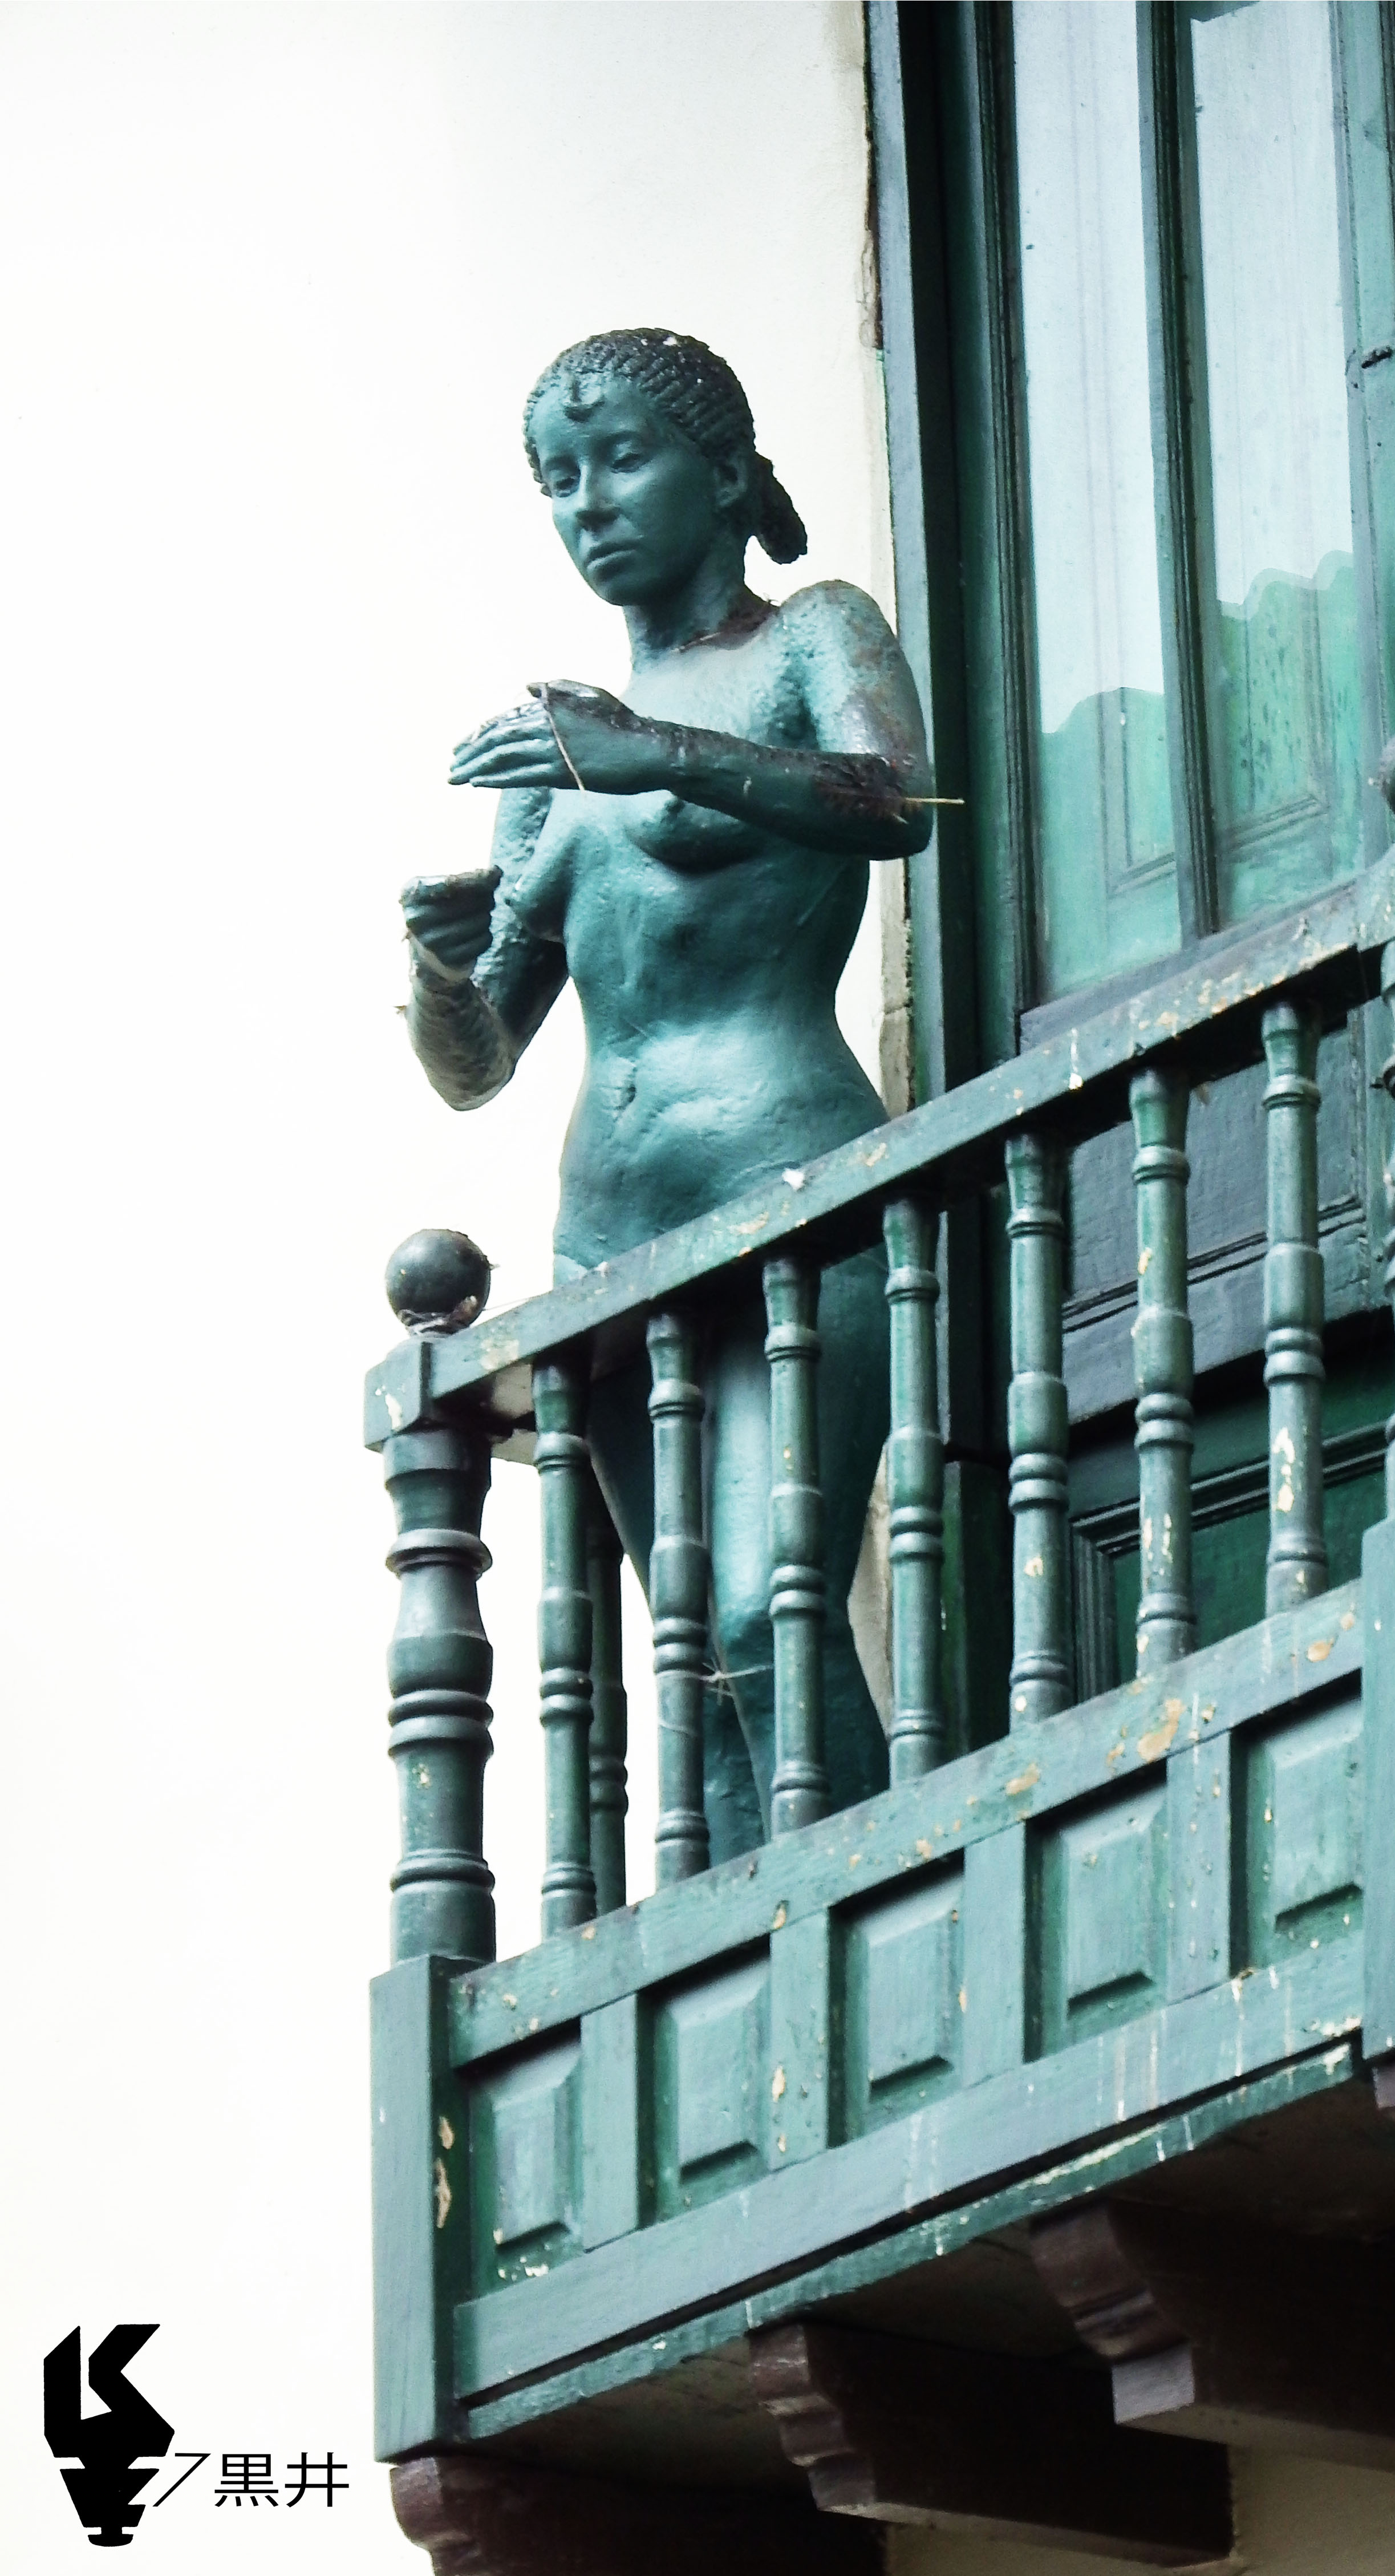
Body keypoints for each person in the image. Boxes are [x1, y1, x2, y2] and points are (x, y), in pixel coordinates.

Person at [402, 327, 932, 1864]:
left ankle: (873, 1908)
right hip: (609, 1226)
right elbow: (481, 1061)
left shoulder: (809, 637)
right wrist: (436, 969)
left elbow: (900, 799)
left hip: (786, 1173)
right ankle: (764, 1966)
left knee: (771, 1610)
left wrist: (658, 755)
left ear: (725, 473)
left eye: (623, 460)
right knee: (694, 1654)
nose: (589, 505)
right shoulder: (548, 752)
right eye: (558, 480)